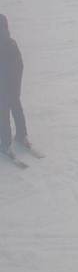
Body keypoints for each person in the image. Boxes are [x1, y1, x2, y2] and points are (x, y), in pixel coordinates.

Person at [0, 16, 30, 163]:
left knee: (3, 115)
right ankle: (21, 136)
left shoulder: (8, 45)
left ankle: (6, 144)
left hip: (4, 88)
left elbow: (18, 66)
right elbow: (20, 65)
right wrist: (16, 86)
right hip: (13, 86)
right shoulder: (12, 43)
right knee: (16, 108)